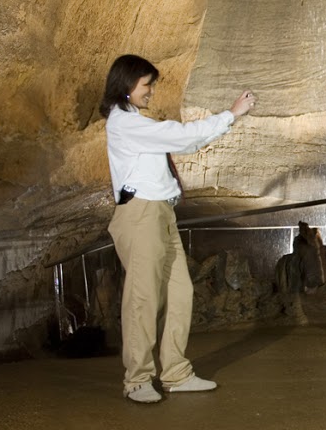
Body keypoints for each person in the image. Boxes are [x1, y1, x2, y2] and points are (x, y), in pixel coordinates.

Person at [100, 54, 255, 404]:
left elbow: (188, 142)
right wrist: (231, 114)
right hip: (142, 215)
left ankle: (175, 373)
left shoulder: (136, 122)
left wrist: (228, 120)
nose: (151, 91)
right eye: (147, 84)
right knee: (143, 297)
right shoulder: (124, 123)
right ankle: (137, 380)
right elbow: (182, 137)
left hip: (161, 214)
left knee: (180, 293)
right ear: (127, 85)